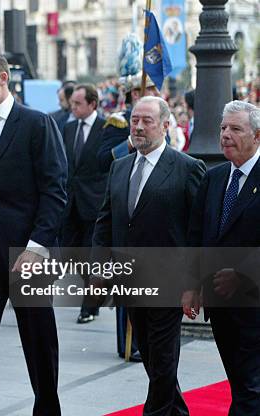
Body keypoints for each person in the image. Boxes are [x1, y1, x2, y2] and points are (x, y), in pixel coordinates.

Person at [0, 48, 67, 415]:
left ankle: (47, 409)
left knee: (39, 342)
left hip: (30, 255)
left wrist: (37, 246)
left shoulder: (37, 123)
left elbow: (55, 190)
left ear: (3, 78)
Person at [93, 96, 206, 415]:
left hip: (168, 283)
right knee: (153, 357)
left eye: (147, 121)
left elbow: (197, 231)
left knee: (163, 357)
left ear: (166, 126)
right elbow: (106, 219)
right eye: (135, 121)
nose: (139, 127)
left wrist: (193, 283)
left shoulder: (187, 168)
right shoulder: (120, 165)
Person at [183, 100, 260, 415]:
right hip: (220, 305)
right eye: (223, 128)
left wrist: (243, 274)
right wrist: (191, 285)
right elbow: (196, 236)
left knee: (251, 387)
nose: (226, 135)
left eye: (236, 129)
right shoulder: (214, 178)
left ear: (257, 136)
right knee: (241, 382)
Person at [61, 84, 107, 324]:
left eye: (78, 103)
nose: (73, 107)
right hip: (71, 204)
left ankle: (89, 306)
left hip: (95, 203)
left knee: (92, 259)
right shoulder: (68, 129)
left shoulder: (106, 128)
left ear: (92, 104)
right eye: (73, 103)